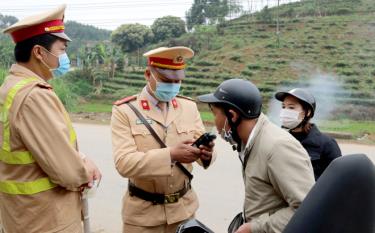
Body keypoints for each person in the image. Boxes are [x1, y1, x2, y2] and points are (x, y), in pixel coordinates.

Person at [0, 5, 101, 233]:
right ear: (39, 52)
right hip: (47, 220)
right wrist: (85, 168)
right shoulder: (34, 95)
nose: (64, 56)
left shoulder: (10, 87)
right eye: (62, 49)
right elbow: (68, 172)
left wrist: (79, 157)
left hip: (21, 216)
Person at [111, 46, 215, 233]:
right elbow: (124, 163)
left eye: (178, 81)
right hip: (143, 218)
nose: (174, 86)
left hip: (184, 211)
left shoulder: (189, 107)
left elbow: (204, 155)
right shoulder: (125, 111)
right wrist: (171, 155)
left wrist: (206, 154)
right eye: (167, 81)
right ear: (148, 74)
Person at [197, 79, 315, 233]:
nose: (215, 123)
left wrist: (254, 228)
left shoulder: (277, 147)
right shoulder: (251, 142)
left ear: (232, 116)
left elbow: (306, 210)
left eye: (215, 114)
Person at [275, 88, 342, 180]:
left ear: (307, 112)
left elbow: (338, 179)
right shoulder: (280, 141)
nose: (285, 111)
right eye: (283, 107)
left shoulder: (326, 144)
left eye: (291, 107)